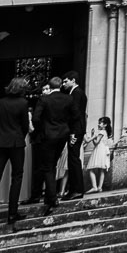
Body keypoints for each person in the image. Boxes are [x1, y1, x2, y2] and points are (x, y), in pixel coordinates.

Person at [0, 77, 33, 230]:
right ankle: (12, 214)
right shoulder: (23, 103)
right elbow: (24, 125)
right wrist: (19, 137)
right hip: (15, 142)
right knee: (16, 177)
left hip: (0, 141)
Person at [30, 76, 76, 214]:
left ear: (49, 86)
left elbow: (36, 118)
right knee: (53, 164)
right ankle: (51, 195)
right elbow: (75, 116)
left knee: (48, 166)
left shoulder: (44, 99)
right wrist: (69, 129)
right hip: (62, 135)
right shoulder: (68, 99)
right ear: (61, 85)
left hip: (48, 136)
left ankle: (52, 197)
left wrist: (41, 130)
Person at [61, 71, 89, 199]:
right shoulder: (75, 93)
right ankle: (74, 189)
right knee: (73, 160)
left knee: (74, 160)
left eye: (66, 81)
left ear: (73, 80)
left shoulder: (76, 93)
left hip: (76, 130)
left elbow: (76, 113)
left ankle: (77, 190)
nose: (63, 84)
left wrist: (72, 132)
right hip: (77, 129)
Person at [83, 116, 114, 193]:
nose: (98, 124)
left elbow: (95, 142)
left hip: (99, 150)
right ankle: (100, 187)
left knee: (90, 169)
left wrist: (92, 134)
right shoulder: (105, 132)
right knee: (101, 170)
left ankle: (94, 187)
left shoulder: (101, 132)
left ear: (105, 125)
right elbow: (96, 142)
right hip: (102, 149)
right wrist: (94, 136)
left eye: (100, 123)